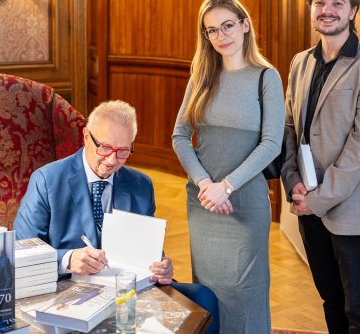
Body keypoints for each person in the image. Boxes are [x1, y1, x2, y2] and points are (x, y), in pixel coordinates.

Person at [14, 100, 219, 333]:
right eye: (104, 148)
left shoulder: (140, 184)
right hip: (69, 292)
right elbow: (21, 252)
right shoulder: (47, 180)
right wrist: (68, 259)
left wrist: (161, 265)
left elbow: (148, 250)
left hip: (127, 290)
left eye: (123, 151)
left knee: (204, 297)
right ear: (86, 136)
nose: (112, 160)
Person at [281, 0, 360, 333]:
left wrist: (318, 200)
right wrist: (292, 181)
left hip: (350, 209)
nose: (327, 10)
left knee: (359, 309)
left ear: (353, 10)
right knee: (330, 298)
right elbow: (289, 129)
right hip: (306, 203)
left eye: (337, 3)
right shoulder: (299, 62)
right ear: (310, 7)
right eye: (320, 3)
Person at [172, 0, 285, 333]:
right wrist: (207, 185)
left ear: (245, 25)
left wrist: (227, 186)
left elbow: (271, 144)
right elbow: (180, 136)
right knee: (208, 290)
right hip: (204, 202)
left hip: (245, 202)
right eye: (212, 30)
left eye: (228, 26)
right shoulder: (201, 76)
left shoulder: (267, 77)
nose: (221, 36)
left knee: (245, 291)